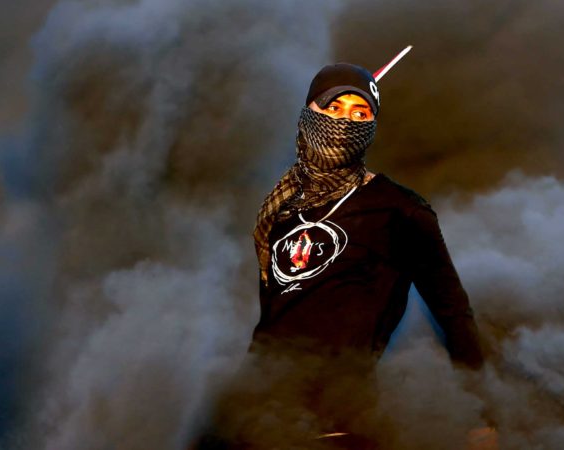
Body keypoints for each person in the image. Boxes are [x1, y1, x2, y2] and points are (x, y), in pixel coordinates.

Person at [193, 62, 485, 450]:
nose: (345, 121)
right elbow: (278, 322)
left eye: (360, 113)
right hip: (252, 412)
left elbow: (453, 313)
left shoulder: (400, 210)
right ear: (308, 113)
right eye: (333, 108)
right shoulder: (281, 208)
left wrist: (481, 417)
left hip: (335, 420)